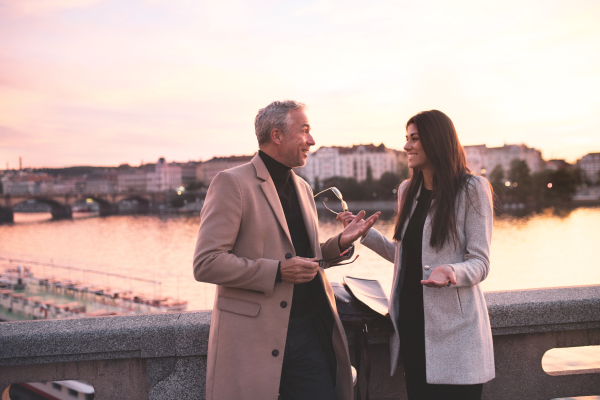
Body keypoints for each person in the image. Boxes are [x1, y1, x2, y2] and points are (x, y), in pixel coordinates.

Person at [193, 100, 380, 400]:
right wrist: (278, 272)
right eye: (304, 131)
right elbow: (206, 263)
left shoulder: (304, 188)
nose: (312, 140)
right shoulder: (231, 183)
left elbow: (306, 258)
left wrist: (341, 242)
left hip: (308, 331)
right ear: (277, 135)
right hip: (253, 336)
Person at [338, 110, 495, 400]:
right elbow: (405, 257)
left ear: (436, 141)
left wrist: (451, 272)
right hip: (411, 328)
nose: (407, 146)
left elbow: (481, 262)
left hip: (456, 334)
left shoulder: (472, 188)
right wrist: (364, 234)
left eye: (415, 138)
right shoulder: (408, 190)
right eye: (406, 139)